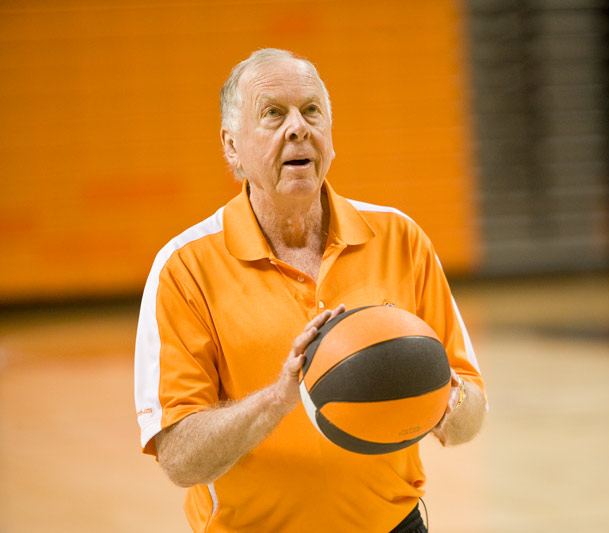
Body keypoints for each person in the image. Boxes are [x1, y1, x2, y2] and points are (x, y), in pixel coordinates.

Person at [134, 48, 486, 532]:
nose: (298, 128)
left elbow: (471, 409)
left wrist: (440, 400)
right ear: (232, 147)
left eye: (311, 110)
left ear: (330, 135)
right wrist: (277, 399)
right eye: (273, 113)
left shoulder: (400, 238)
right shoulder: (184, 267)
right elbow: (179, 458)